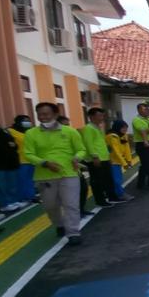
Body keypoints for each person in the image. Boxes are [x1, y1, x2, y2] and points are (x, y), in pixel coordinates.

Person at [24, 103, 86, 245]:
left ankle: (73, 232)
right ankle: (59, 224)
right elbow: (28, 154)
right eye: (39, 114)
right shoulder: (31, 133)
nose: (42, 117)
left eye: (46, 114)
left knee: (71, 204)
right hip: (45, 176)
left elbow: (81, 150)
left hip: (69, 173)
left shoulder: (70, 132)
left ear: (56, 115)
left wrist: (77, 158)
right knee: (50, 206)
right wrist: (45, 163)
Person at [80, 108, 124, 207]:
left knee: (108, 179)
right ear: (91, 117)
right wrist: (95, 157)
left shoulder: (97, 127)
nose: (102, 118)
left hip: (104, 158)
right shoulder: (88, 128)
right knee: (97, 181)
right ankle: (100, 201)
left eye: (102, 115)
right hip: (96, 159)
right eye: (99, 116)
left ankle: (112, 197)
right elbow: (89, 144)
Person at [59, 116, 93, 216]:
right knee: (71, 195)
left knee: (83, 190)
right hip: (65, 172)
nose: (67, 127)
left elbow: (78, 152)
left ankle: (81, 210)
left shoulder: (71, 137)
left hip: (75, 170)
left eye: (68, 124)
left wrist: (81, 164)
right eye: (64, 125)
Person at [9, 115, 37, 203]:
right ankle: (21, 198)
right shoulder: (11, 131)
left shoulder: (31, 131)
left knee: (30, 180)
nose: (28, 122)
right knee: (21, 180)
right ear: (18, 122)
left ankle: (31, 196)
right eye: (25, 121)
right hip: (20, 160)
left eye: (29, 120)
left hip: (31, 159)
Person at [106, 120, 136, 201]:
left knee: (117, 178)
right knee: (116, 180)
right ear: (118, 127)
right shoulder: (112, 137)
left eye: (126, 128)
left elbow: (127, 148)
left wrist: (129, 160)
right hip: (112, 161)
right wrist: (124, 163)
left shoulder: (123, 135)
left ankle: (117, 194)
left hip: (118, 161)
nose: (125, 130)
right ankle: (120, 194)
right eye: (123, 128)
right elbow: (116, 151)